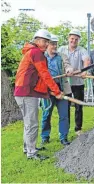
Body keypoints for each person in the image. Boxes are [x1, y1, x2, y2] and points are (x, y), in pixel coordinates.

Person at [14, 29, 63, 160]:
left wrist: (50, 90)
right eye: (45, 41)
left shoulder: (32, 51)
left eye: (48, 41)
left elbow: (39, 78)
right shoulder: (36, 53)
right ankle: (31, 153)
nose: (47, 44)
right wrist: (57, 91)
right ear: (37, 40)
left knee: (28, 123)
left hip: (24, 92)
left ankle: (28, 148)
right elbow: (45, 74)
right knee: (32, 123)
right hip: (26, 93)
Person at [40, 34, 74, 146]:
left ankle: (63, 137)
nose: (54, 46)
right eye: (52, 44)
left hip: (61, 89)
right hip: (47, 90)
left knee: (64, 114)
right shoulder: (42, 57)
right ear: (47, 45)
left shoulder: (62, 56)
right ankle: (45, 136)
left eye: (56, 44)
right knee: (46, 114)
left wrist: (69, 70)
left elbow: (67, 65)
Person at [58, 29, 91, 136]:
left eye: (76, 39)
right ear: (68, 38)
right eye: (72, 38)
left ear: (79, 40)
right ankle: (65, 130)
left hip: (78, 82)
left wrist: (84, 71)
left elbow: (86, 61)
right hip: (65, 83)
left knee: (78, 106)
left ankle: (78, 129)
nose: (74, 41)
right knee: (65, 107)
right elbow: (57, 60)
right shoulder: (62, 49)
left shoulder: (82, 50)